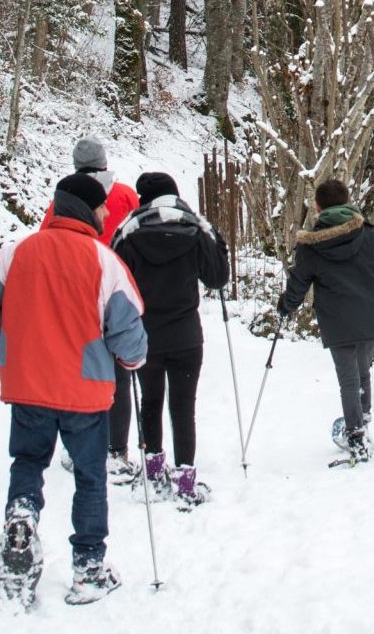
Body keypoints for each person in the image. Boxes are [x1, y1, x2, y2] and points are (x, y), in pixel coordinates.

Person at [0, 173, 147, 607]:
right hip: (85, 390)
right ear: (87, 209)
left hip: (28, 384)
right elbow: (128, 329)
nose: (105, 213)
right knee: (90, 476)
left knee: (28, 462)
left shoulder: (15, 253)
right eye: (101, 207)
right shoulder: (104, 262)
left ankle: (22, 517)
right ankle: (88, 567)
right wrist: (132, 361)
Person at [111, 172, 229, 508]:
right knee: (183, 406)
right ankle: (186, 482)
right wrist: (216, 240)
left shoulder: (129, 231)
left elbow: (114, 280)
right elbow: (217, 277)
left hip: (145, 334)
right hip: (186, 335)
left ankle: (153, 474)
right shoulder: (195, 228)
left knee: (150, 401)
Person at [276, 179, 374, 462]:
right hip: (371, 316)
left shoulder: (311, 246)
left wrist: (286, 305)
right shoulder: (369, 235)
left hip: (338, 321)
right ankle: (362, 420)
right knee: (362, 372)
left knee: (348, 379)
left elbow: (298, 284)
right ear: (347, 202)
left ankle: (356, 435)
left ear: (317, 207)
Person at [41, 136, 140, 480]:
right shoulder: (125, 195)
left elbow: (47, 241)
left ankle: (80, 446)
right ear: (104, 162)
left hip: (75, 295)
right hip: (117, 290)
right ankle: (116, 450)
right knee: (120, 374)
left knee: (78, 372)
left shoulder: (62, 201)